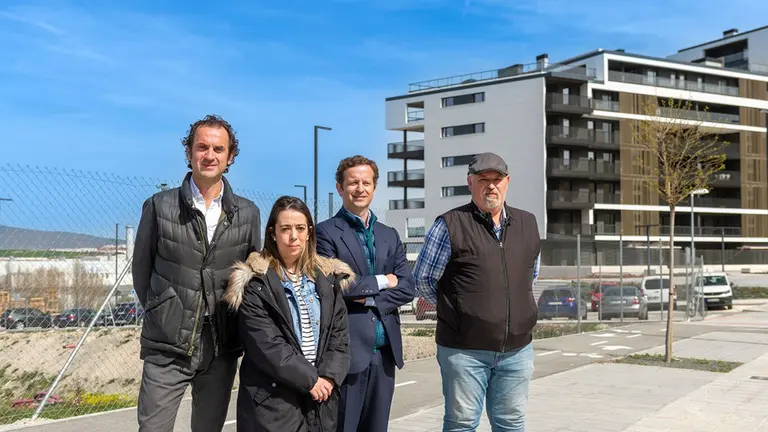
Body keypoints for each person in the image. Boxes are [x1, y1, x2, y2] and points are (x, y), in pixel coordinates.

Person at [132, 114, 262, 432]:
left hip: (221, 345)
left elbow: (250, 275)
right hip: (167, 344)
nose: (209, 155)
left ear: (230, 157)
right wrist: (164, 309)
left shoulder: (248, 213)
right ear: (189, 152)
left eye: (218, 149)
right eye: (202, 147)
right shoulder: (159, 207)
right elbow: (141, 270)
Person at [413, 152, 541, 432]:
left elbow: (530, 276)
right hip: (464, 352)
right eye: (483, 180)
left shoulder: (528, 224)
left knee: (511, 423)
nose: (491, 186)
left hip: (517, 351)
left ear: (507, 182)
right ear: (470, 182)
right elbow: (423, 279)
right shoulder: (449, 225)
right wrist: (459, 310)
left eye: (497, 179)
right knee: (461, 424)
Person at [224, 196, 352, 432]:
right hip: (274, 402)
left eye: (300, 228)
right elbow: (267, 345)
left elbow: (339, 337)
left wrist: (329, 378)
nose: (293, 236)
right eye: (285, 229)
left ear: (309, 233)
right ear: (273, 233)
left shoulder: (327, 280)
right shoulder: (256, 283)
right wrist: (311, 379)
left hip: (321, 398)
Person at [315, 155, 417, 432]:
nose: (360, 188)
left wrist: (368, 295)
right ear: (339, 188)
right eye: (352, 183)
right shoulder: (324, 233)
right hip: (348, 352)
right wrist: (384, 280)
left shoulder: (389, 234)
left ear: (374, 187)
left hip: (384, 354)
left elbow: (408, 286)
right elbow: (335, 284)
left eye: (366, 182)